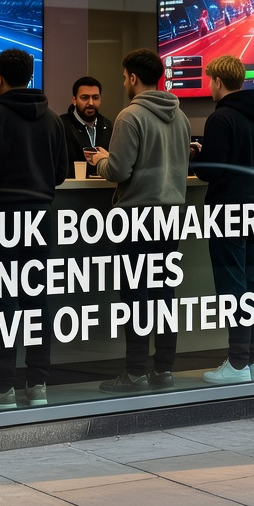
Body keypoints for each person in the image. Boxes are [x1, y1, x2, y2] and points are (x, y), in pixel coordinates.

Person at [0, 49, 69, 409]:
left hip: (0, 219)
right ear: (30, 75)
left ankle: (3, 386)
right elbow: (60, 174)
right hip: (40, 219)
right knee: (36, 300)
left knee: (2, 303)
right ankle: (37, 384)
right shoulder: (52, 119)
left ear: (0, 79)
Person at [86, 49, 190, 393]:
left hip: (137, 216)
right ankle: (164, 369)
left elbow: (118, 170)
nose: (123, 83)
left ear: (132, 77)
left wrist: (101, 160)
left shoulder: (129, 116)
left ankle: (134, 373)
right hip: (171, 216)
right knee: (164, 293)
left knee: (136, 296)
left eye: (124, 77)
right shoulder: (180, 116)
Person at [191, 55, 254, 384]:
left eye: (209, 80)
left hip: (227, 211)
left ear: (218, 81)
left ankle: (237, 363)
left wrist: (198, 156)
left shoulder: (220, 118)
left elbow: (212, 171)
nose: (209, 86)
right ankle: (253, 361)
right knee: (252, 285)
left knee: (232, 288)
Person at [59, 76, 112, 176]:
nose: (91, 103)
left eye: (95, 97)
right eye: (85, 98)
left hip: (103, 184)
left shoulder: (108, 126)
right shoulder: (61, 125)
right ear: (74, 100)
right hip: (70, 184)